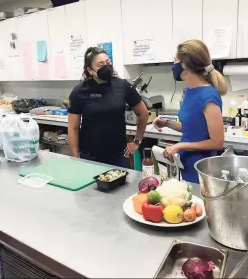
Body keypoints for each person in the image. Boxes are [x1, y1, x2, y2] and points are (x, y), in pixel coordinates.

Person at [153, 39, 227, 183]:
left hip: (202, 168)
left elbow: (217, 142)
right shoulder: (189, 90)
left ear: (186, 65)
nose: (173, 65)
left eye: (175, 61)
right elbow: (193, 129)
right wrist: (167, 123)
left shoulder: (208, 96)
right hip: (185, 163)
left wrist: (180, 145)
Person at [67, 47, 149, 168]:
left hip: (118, 155)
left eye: (108, 62)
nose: (106, 66)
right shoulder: (79, 92)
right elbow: (73, 128)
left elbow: (143, 113)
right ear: (90, 70)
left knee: (121, 187)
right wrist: (75, 156)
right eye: (101, 64)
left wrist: (137, 141)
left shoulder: (123, 86)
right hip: (89, 156)